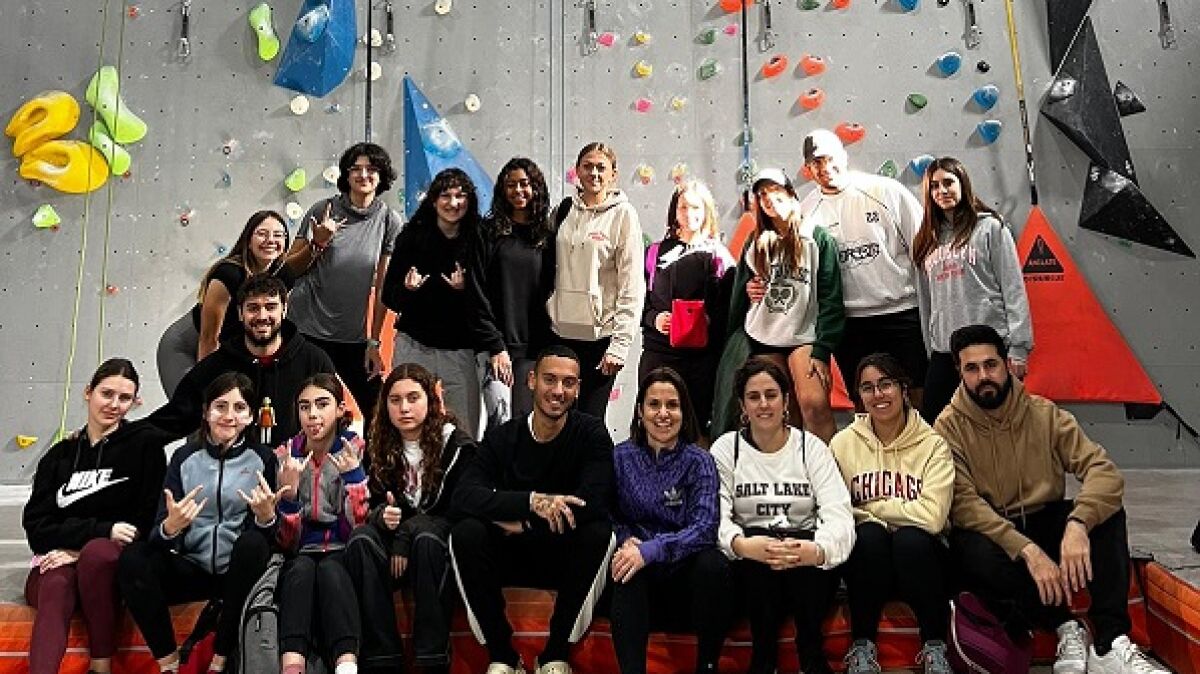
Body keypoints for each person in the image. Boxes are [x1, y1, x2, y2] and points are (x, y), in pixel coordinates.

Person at [936, 325, 1168, 674]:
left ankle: (1109, 643)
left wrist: (1078, 524)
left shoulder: (1045, 414)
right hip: (998, 534)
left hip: (1047, 520)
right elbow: (964, 504)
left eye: (991, 365)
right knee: (969, 547)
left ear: (1007, 365)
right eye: (972, 368)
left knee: (1107, 515)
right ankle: (1064, 626)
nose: (984, 376)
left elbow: (1103, 471)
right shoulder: (947, 427)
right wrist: (1028, 551)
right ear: (960, 373)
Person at [449, 345, 616, 674]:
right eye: (549, 380)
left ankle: (555, 655)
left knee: (600, 533)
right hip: (509, 555)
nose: (558, 391)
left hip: (562, 551)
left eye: (568, 383)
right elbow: (464, 496)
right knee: (466, 532)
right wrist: (530, 502)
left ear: (578, 388)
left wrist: (527, 524)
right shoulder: (503, 436)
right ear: (531, 381)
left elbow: (595, 501)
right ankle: (502, 656)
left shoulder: (592, 433)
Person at [119, 372, 282, 673]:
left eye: (239, 408)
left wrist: (265, 518)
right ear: (206, 412)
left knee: (252, 544)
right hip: (192, 568)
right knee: (133, 558)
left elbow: (270, 538)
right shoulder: (184, 458)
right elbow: (158, 533)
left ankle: (221, 656)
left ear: (250, 417)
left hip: (238, 573)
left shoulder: (264, 459)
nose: (229, 416)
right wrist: (171, 527)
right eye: (220, 406)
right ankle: (168, 661)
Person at [22, 359, 170, 674]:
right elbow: (36, 529)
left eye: (124, 398)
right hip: (56, 563)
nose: (114, 405)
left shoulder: (145, 447)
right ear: (88, 392)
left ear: (135, 402)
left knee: (97, 553)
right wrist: (98, 532)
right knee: (57, 584)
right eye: (107, 394)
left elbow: (142, 524)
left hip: (110, 566)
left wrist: (82, 547)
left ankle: (100, 666)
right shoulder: (59, 456)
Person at [711, 357, 855, 674]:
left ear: (786, 400)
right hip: (751, 567)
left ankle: (810, 655)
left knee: (804, 546)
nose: (764, 404)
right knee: (757, 550)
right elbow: (714, 516)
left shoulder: (811, 448)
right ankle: (763, 659)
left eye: (771, 395)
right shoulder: (726, 449)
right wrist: (741, 545)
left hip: (807, 566)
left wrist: (817, 551)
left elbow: (840, 515)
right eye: (754, 397)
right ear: (742, 406)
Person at [341, 364, 476, 674]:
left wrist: (407, 532)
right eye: (395, 400)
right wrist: (382, 516)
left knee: (426, 540)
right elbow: (374, 502)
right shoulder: (378, 444)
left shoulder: (457, 446)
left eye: (413, 398)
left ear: (430, 400)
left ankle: (432, 660)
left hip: (436, 544)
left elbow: (459, 510)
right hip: (394, 547)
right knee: (361, 540)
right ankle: (382, 659)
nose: (404, 408)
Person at [828, 353, 955, 674]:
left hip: (922, 561)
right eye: (868, 387)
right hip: (870, 564)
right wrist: (887, 517)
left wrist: (871, 508)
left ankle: (935, 646)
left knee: (910, 539)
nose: (878, 394)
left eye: (886, 384)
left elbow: (933, 517)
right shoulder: (842, 444)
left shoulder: (933, 445)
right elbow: (836, 511)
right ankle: (862, 646)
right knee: (868, 537)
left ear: (903, 389)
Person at [609, 367, 732, 674]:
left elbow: (705, 527)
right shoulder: (620, 457)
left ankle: (707, 666)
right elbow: (606, 513)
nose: (663, 414)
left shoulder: (700, 461)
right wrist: (624, 538)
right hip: (639, 576)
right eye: (654, 404)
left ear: (684, 412)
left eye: (672, 405)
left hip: (685, 574)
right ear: (640, 411)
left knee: (713, 564)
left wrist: (653, 549)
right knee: (624, 566)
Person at [796, 129, 928, 409]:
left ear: (844, 156)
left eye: (830, 158)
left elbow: (924, 248)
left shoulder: (886, 191)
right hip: (851, 323)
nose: (825, 168)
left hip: (901, 312)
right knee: (865, 401)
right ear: (808, 168)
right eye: (816, 162)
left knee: (917, 395)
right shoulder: (807, 212)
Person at [718, 168, 844, 443]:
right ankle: (789, 467)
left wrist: (823, 349)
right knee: (780, 413)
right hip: (764, 336)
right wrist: (749, 292)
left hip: (804, 336)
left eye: (774, 190)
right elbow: (741, 294)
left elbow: (831, 297)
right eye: (762, 194)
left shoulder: (816, 237)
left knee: (814, 404)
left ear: (790, 194)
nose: (768, 198)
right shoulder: (755, 241)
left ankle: (829, 466)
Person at [285, 142, 403, 425]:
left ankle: (371, 458)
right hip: (306, 330)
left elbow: (383, 286)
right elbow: (289, 270)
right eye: (356, 169)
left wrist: (373, 342)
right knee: (301, 411)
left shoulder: (389, 220)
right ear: (346, 175)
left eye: (371, 169)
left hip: (351, 336)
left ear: (381, 175)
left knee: (379, 414)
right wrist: (317, 243)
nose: (364, 175)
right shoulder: (323, 209)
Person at [146, 274, 336, 446]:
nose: (262, 316)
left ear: (284, 310)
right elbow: (173, 419)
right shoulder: (216, 366)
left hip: (295, 467)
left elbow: (335, 421)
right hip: (232, 468)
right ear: (240, 313)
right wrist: (129, 439)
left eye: (270, 307)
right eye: (253, 308)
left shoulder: (314, 361)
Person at [912, 157, 1032, 423]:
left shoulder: (990, 228)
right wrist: (931, 348)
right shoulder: (925, 241)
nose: (942, 191)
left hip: (987, 349)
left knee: (996, 423)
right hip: (945, 352)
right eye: (934, 186)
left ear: (962, 184)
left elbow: (1013, 288)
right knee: (935, 424)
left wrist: (1018, 349)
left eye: (948, 183)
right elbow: (926, 303)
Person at [274, 374, 369, 674]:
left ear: (340, 409)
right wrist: (289, 497)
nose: (312, 415)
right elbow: (286, 541)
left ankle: (346, 665)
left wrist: (354, 478)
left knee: (331, 571)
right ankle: (292, 666)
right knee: (300, 572)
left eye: (322, 404)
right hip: (301, 549)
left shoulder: (356, 449)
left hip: (343, 546)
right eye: (305, 407)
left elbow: (360, 528)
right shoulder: (286, 455)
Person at [381, 168, 486, 438]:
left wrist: (465, 290)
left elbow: (488, 298)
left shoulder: (479, 237)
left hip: (460, 348)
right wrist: (408, 290)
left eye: (461, 196)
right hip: (414, 344)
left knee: (465, 429)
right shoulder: (412, 237)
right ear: (434, 200)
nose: (453, 203)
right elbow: (388, 296)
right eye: (446, 196)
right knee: (404, 421)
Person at [546, 142, 645, 421]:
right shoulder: (564, 211)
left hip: (600, 339)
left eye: (601, 167)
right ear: (577, 171)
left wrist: (620, 345)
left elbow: (632, 284)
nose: (594, 173)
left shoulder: (624, 215)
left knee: (589, 421)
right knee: (558, 420)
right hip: (560, 334)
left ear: (613, 174)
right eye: (587, 166)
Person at [157, 210, 294, 397]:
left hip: (224, 350)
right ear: (248, 240)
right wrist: (208, 389)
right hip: (187, 346)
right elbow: (209, 338)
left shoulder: (284, 276)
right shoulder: (228, 274)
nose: (270, 240)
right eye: (262, 234)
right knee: (196, 408)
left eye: (278, 235)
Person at [638, 180, 735, 441]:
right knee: (653, 426)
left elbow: (728, 311)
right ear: (674, 211)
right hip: (658, 353)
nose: (689, 213)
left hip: (701, 360)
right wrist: (655, 319)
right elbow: (637, 303)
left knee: (696, 427)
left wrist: (706, 321)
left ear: (706, 211)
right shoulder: (654, 253)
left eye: (696, 207)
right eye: (683, 207)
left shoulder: (719, 256)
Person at [471, 157, 557, 419]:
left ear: (535, 188)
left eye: (524, 184)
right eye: (511, 185)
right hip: (496, 347)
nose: (518, 190)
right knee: (501, 422)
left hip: (536, 347)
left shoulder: (546, 235)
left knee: (528, 423)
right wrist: (495, 346)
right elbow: (476, 292)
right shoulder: (487, 232)